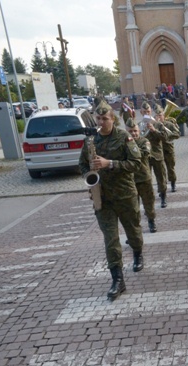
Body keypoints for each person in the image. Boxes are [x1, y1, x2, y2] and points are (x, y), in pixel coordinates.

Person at [78, 101, 144, 301]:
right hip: (102, 198)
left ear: (112, 119)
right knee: (111, 240)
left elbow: (136, 163)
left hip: (124, 195)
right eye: (98, 118)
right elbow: (82, 164)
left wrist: (110, 164)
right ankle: (117, 279)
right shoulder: (91, 141)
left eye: (105, 119)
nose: (101, 122)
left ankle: (138, 252)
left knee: (133, 231)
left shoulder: (124, 137)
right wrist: (89, 174)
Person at [126, 118, 157, 233]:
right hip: (130, 180)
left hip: (144, 177)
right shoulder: (124, 143)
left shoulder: (144, 142)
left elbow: (145, 153)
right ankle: (135, 231)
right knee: (132, 207)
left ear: (139, 131)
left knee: (148, 202)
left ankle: (151, 221)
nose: (133, 133)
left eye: (135, 131)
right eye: (130, 131)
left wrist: (130, 147)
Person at [139, 102, 169, 208]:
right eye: (144, 112)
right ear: (141, 112)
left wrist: (154, 130)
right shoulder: (139, 125)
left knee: (161, 177)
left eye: (148, 111)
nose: (146, 113)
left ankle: (163, 197)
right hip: (145, 156)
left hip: (157, 154)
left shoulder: (158, 124)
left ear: (151, 111)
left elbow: (165, 137)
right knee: (147, 179)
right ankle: (149, 200)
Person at [154, 105, 181, 192]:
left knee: (170, 168)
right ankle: (163, 188)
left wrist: (168, 134)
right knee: (161, 172)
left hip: (168, 149)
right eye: (157, 115)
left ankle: (173, 183)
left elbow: (177, 134)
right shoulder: (153, 126)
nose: (159, 117)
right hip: (158, 151)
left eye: (160, 115)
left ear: (164, 115)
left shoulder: (169, 124)